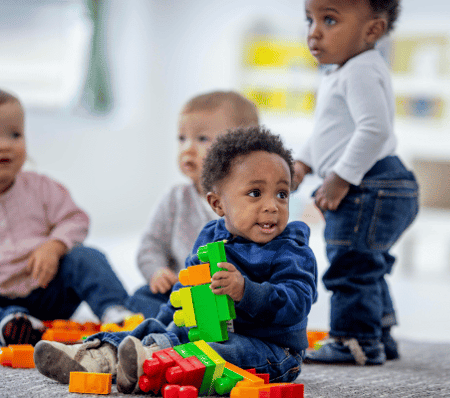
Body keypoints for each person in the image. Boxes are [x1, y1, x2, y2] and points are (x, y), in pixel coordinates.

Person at [34, 126, 318, 393]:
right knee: (160, 328)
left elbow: (297, 303)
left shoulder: (291, 249)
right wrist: (164, 326)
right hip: (207, 332)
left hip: (271, 350)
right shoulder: (210, 237)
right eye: (255, 193)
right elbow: (186, 293)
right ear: (218, 204)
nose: (272, 206)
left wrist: (246, 291)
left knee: (225, 352)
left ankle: (153, 361)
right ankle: (101, 355)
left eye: (282, 194)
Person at [293, 0, 419, 365]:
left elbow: (374, 129)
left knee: (350, 263)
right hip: (383, 184)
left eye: (329, 20)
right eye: (310, 19)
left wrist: (340, 178)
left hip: (371, 185)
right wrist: (303, 163)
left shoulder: (359, 71)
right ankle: (379, 332)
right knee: (367, 261)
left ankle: (355, 340)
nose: (314, 32)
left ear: (372, 30)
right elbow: (329, 133)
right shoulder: (343, 71)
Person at [0, 89, 134, 347]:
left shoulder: (41, 187)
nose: (6, 144)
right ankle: (13, 325)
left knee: (85, 256)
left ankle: (115, 311)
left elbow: (75, 219)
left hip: (46, 289)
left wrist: (55, 245)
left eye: (15, 134)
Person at [127, 91, 260, 318]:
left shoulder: (250, 201)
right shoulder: (175, 198)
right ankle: (178, 324)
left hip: (229, 295)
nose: (187, 148)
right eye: (182, 138)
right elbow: (151, 245)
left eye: (202, 139)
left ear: (242, 150)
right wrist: (157, 272)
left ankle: (182, 326)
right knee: (140, 298)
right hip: (183, 293)